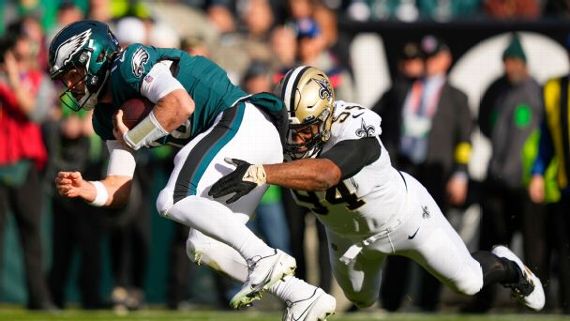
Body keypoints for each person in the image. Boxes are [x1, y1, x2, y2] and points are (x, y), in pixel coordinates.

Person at [48, 20, 335, 321]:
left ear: (92, 57)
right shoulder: (105, 116)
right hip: (236, 143)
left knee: (172, 199)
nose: (70, 85)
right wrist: (89, 190)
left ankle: (264, 256)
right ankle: (302, 295)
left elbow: (179, 105)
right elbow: (119, 186)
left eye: (72, 74)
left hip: (242, 120)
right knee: (202, 246)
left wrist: (132, 137)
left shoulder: (130, 63)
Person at [209, 65, 546, 312]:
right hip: (346, 238)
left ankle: (510, 268)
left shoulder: (355, 130)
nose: (293, 139)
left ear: (325, 119)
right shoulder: (278, 132)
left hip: (409, 220)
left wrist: (260, 171)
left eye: (304, 130)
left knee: (468, 282)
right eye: (289, 129)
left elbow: (326, 174)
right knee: (362, 299)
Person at [465, 33, 547, 313]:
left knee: (533, 245)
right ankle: (483, 300)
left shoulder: (533, 93)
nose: (508, 67)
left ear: (523, 62)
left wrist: (526, 173)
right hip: (498, 180)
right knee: (492, 243)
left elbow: (530, 140)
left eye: (513, 61)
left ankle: (535, 301)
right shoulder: (502, 92)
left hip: (523, 182)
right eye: (505, 61)